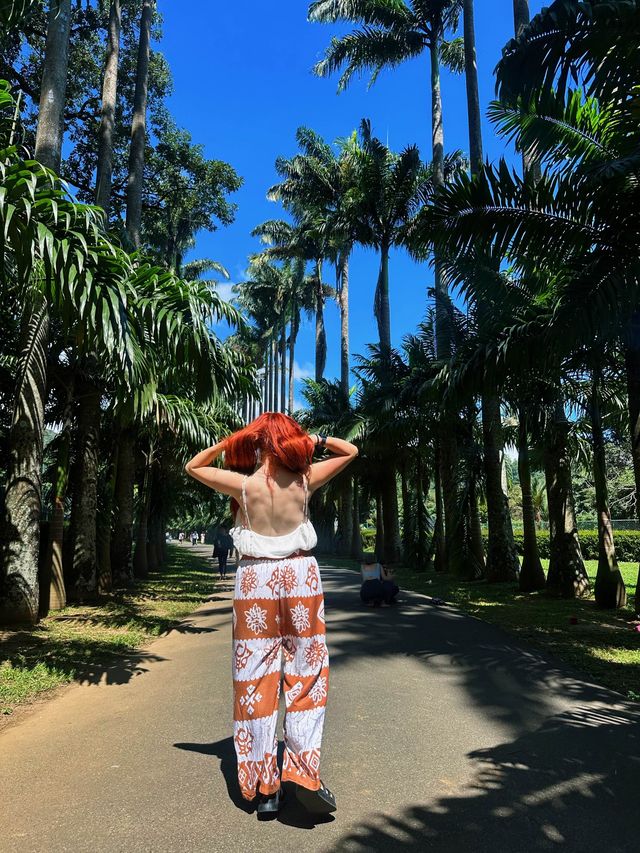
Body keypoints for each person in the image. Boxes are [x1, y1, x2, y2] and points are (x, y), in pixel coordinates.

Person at [185, 413, 357, 818]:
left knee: (255, 680)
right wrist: (315, 438)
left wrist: (234, 442)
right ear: (288, 443)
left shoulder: (243, 486)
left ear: (259, 444)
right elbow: (351, 450)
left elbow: (193, 465)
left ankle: (265, 788)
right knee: (307, 671)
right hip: (300, 577)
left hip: (255, 581)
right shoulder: (304, 480)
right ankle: (301, 772)